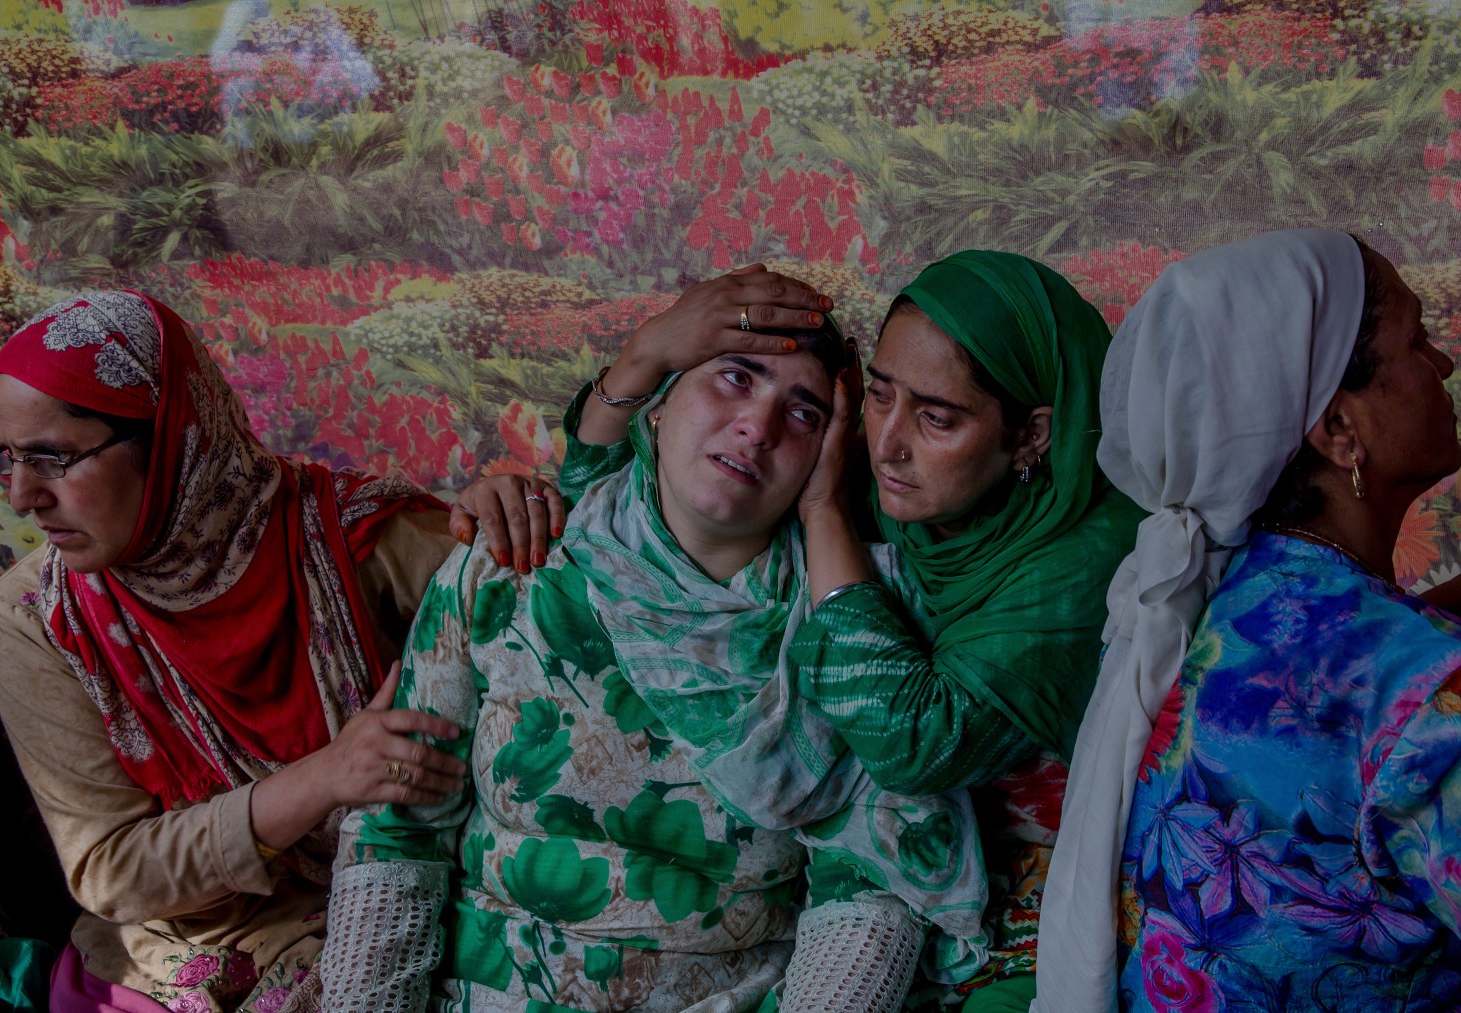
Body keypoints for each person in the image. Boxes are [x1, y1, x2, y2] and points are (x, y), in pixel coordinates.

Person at [465, 253, 1141, 1009]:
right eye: (879, 396)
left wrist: (824, 512)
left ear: (1031, 436)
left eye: (937, 417)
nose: (888, 442)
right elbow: (628, 495)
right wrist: (650, 353)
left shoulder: (1081, 566)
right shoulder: (890, 474)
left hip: (1024, 902)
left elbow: (906, 739)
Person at [318, 300, 989, 1012]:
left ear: (827, 464)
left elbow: (870, 895)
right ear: (660, 409)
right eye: (735, 378)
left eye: (803, 415)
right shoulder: (512, 563)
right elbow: (397, 832)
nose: (756, 427)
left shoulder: (845, 625)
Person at [1033, 228, 1461, 1011]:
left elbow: (1347, 695)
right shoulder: (1436, 694)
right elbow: (1403, 704)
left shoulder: (1207, 602)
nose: (1442, 365)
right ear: (1338, 429)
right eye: (1417, 341)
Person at [0, 290, 465, 1012]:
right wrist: (323, 779)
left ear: (171, 435)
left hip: (410, 884)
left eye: (52, 457)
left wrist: (513, 515)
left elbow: (544, 607)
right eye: (8, 458)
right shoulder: (35, 621)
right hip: (199, 939)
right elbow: (113, 868)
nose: (21, 497)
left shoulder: (353, 538)